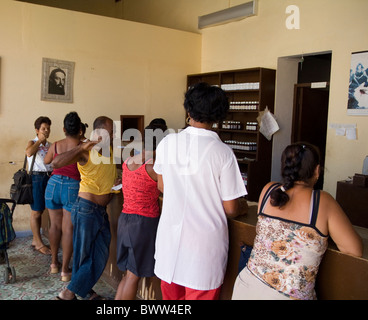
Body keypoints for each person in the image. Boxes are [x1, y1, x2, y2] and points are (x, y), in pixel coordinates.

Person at [153, 82, 248, 300]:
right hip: (203, 251)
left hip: (170, 246)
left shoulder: (168, 143)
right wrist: (242, 206)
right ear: (219, 115)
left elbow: (162, 186)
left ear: (188, 111)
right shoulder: (223, 153)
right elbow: (231, 208)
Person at [232, 142, 363, 300]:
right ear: (316, 170)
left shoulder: (268, 190)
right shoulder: (322, 201)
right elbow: (354, 249)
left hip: (246, 285)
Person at [53, 116, 118, 300]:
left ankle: (78, 290)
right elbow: (56, 163)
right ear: (99, 132)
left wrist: (115, 184)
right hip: (86, 209)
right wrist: (80, 147)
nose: (114, 135)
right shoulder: (86, 150)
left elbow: (104, 177)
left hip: (100, 211)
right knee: (84, 255)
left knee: (100, 253)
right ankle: (71, 293)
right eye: (111, 131)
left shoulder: (110, 150)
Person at [115, 123, 164, 300]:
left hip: (125, 220)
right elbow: (168, 190)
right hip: (143, 224)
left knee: (128, 274)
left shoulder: (128, 162)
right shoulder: (153, 167)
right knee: (133, 276)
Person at [43, 112, 84, 280]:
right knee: (68, 229)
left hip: (53, 185)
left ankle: (54, 263)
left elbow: (47, 161)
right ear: (80, 130)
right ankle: (65, 271)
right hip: (72, 187)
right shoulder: (83, 146)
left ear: (64, 129)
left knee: (54, 226)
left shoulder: (56, 145)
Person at [25, 116, 53, 255]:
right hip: (36, 178)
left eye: (48, 128)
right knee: (36, 211)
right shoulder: (33, 142)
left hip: (49, 177)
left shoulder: (51, 145)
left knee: (44, 211)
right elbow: (29, 153)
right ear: (37, 130)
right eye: (43, 129)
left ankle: (37, 239)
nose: (46, 131)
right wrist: (40, 141)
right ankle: (37, 241)